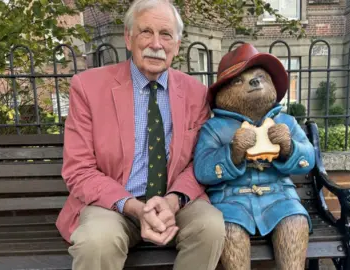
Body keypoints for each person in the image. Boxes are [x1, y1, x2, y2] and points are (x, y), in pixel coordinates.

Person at [55, 0, 225, 269]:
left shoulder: (196, 93)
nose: (156, 44)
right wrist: (133, 206)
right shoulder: (88, 87)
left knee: (211, 227)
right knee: (96, 241)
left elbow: (200, 161)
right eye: (146, 31)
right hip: (112, 204)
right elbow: (79, 169)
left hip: (173, 203)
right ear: (128, 37)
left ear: (177, 45)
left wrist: (172, 201)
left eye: (166, 34)